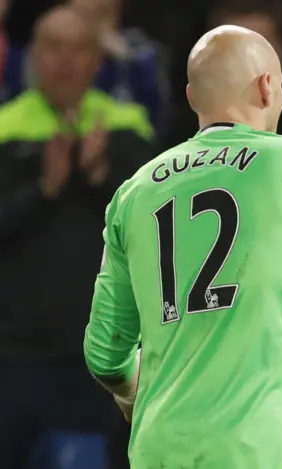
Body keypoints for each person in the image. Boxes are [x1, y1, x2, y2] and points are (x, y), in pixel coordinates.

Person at [83, 25, 282, 469]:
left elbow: (105, 351)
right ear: (266, 86)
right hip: (268, 449)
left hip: (160, 450)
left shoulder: (134, 192)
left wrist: (129, 390)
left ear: (191, 96)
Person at [0, 5, 153, 469]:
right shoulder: (5, 127)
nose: (65, 60)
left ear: (96, 61)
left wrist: (100, 175)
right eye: (53, 47)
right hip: (13, 357)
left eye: (79, 48)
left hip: (104, 358)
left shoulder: (128, 128)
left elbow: (155, 231)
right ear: (32, 57)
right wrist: (45, 190)